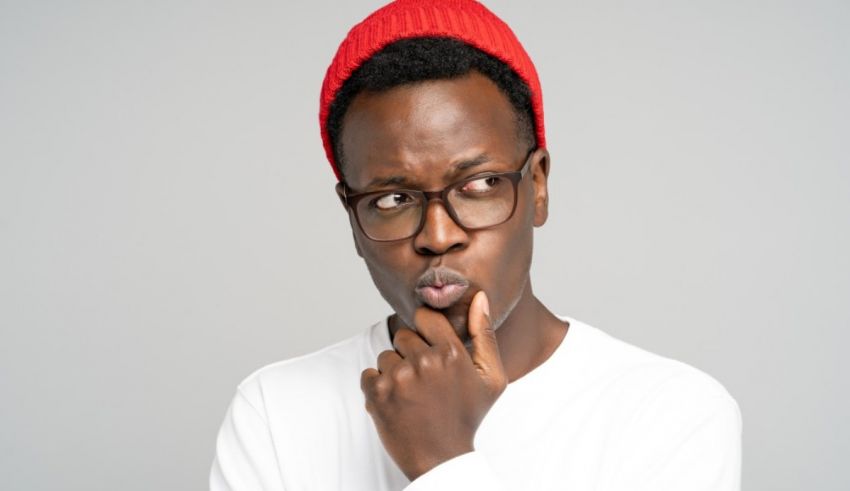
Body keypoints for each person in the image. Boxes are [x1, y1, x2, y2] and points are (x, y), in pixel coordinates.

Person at [210, 1, 742, 489]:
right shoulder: (277, 411)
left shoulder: (670, 411)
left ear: (537, 187)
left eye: (479, 185)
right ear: (351, 216)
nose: (438, 236)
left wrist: (442, 460)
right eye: (392, 198)